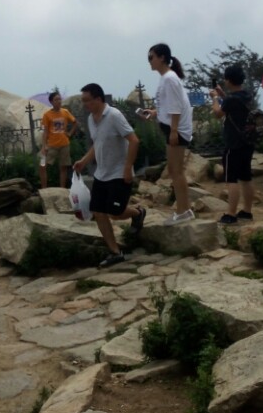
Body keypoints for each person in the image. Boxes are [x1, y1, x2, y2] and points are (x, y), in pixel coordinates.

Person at [72, 83, 146, 268]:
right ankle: (115, 251)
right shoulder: (91, 118)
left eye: (87, 100)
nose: (85, 104)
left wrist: (128, 167)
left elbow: (134, 140)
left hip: (119, 173)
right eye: (83, 101)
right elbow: (97, 144)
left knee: (115, 212)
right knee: (98, 211)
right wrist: (84, 161)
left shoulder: (114, 115)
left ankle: (138, 212)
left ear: (98, 99)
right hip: (101, 173)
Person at [139, 43, 194, 224]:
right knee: (174, 170)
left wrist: (174, 130)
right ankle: (184, 209)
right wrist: (155, 113)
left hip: (176, 130)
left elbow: (176, 107)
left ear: (162, 57)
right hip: (172, 128)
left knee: (175, 171)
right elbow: (168, 103)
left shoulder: (169, 78)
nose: (150, 61)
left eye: (151, 57)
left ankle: (183, 211)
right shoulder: (167, 78)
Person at [210, 65, 256, 225]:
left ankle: (231, 214)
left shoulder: (231, 100)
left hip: (233, 143)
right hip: (247, 142)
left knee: (232, 179)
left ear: (228, 80)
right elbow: (232, 104)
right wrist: (222, 94)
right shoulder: (246, 95)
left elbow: (218, 113)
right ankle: (247, 211)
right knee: (246, 177)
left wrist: (215, 98)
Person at [39, 91, 77, 188]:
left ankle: (62, 189)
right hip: (51, 145)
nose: (59, 101)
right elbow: (45, 132)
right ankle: (44, 189)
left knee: (63, 167)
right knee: (42, 166)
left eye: (59, 99)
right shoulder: (47, 115)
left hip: (64, 144)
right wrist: (44, 146)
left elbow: (75, 122)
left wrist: (70, 133)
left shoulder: (65, 112)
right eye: (56, 99)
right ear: (51, 102)